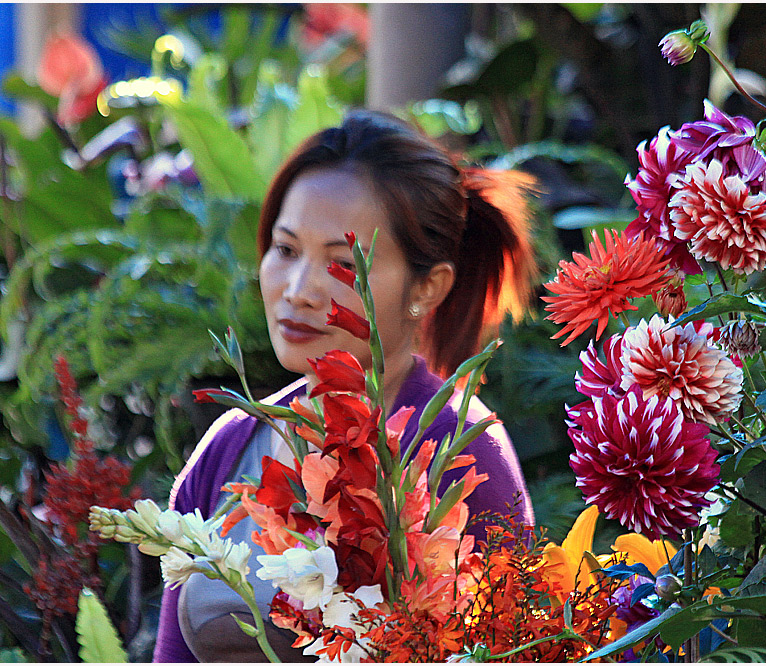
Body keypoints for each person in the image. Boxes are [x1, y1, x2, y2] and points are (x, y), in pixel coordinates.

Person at [153, 110, 538, 662]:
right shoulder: (228, 448)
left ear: (428, 287)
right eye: (285, 251)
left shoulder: (464, 452)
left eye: (343, 265)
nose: (299, 290)